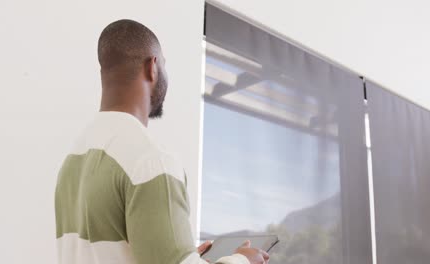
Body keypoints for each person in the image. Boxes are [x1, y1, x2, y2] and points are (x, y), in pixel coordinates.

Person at [54, 19, 269, 264]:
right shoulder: (149, 160)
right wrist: (243, 260)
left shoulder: (73, 160)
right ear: (152, 67)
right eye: (165, 64)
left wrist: (185, 258)